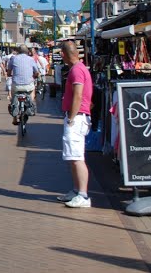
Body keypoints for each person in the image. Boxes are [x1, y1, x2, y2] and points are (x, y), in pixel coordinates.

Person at [58, 40, 93, 208]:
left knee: (77, 157)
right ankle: (76, 190)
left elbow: (78, 95)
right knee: (72, 157)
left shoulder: (77, 71)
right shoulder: (79, 68)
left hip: (77, 117)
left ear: (63, 54)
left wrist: (71, 118)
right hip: (77, 116)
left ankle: (83, 195)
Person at [7, 44, 40, 125]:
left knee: (13, 96)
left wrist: (10, 75)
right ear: (27, 52)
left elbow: (8, 72)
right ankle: (30, 104)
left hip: (16, 85)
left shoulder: (13, 59)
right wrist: (35, 76)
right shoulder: (31, 59)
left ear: (18, 51)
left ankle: (14, 118)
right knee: (32, 90)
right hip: (28, 85)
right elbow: (36, 72)